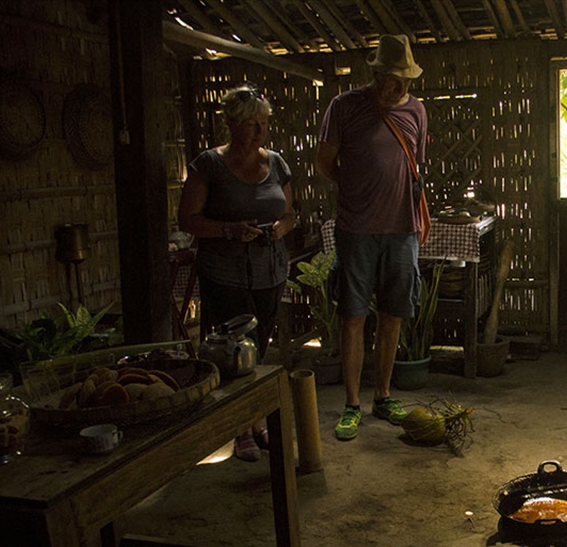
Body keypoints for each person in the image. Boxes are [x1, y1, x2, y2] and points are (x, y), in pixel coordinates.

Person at [315, 34, 428, 441]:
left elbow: (415, 165)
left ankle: (383, 395)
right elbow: (325, 163)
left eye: (402, 81)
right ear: (375, 74)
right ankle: (351, 404)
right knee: (353, 317)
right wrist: (358, 188)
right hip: (357, 230)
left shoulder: (416, 110)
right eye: (388, 79)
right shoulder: (344, 106)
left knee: (393, 316)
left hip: (402, 230)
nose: (395, 88)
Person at [177, 83, 297, 462]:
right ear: (231, 124)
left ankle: (256, 423)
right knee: (231, 351)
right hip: (224, 272)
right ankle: (240, 429)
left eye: (263, 123)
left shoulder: (276, 163)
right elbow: (187, 220)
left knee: (259, 348)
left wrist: (279, 229)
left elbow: (291, 214)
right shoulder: (209, 165)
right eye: (251, 124)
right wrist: (228, 230)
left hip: (269, 271)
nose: (260, 132)